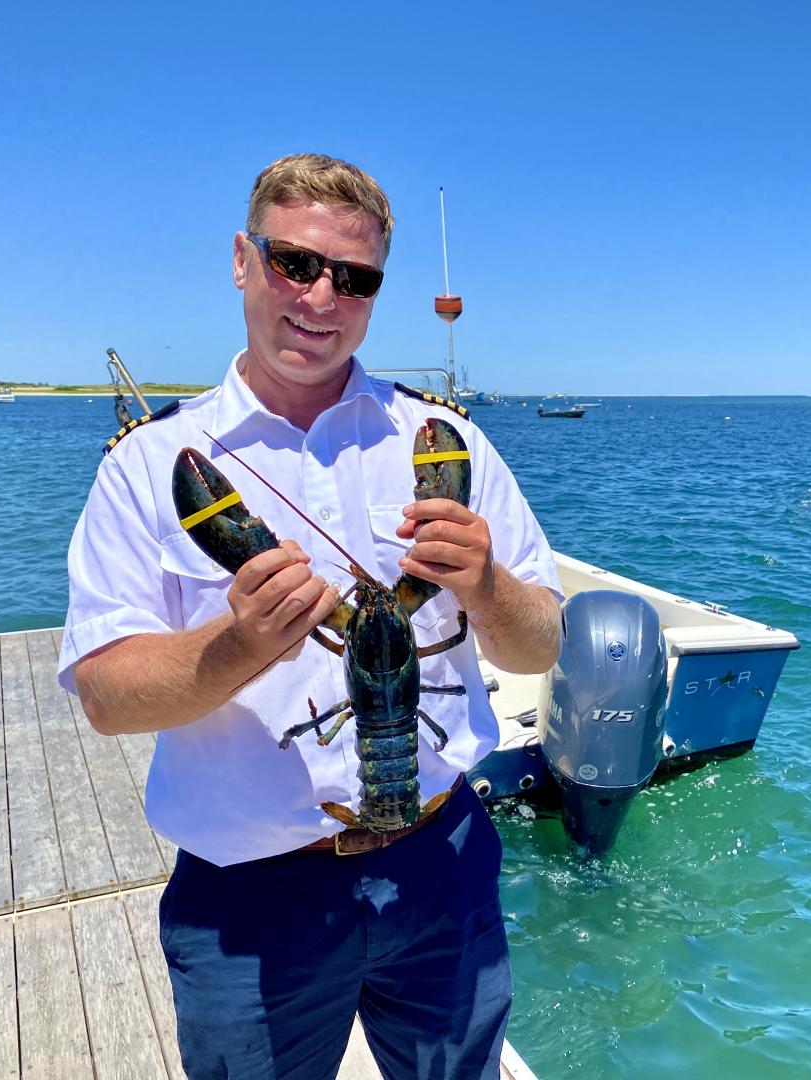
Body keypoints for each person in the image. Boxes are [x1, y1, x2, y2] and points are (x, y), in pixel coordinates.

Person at [57, 153, 563, 1080]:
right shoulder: (152, 463)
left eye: (355, 278)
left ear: (375, 293)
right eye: (296, 263)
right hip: (251, 896)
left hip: (441, 858)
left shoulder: (442, 439)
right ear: (245, 260)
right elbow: (105, 698)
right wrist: (241, 641)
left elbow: (541, 642)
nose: (322, 297)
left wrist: (486, 584)